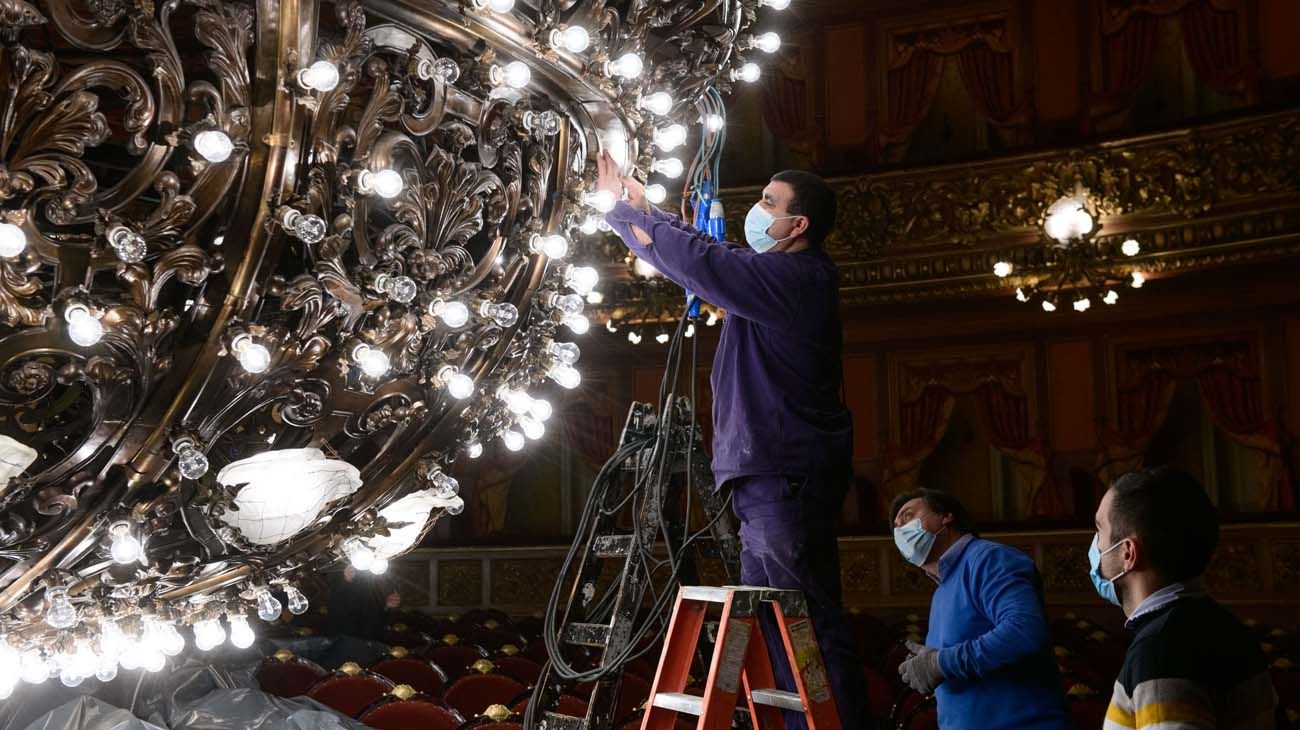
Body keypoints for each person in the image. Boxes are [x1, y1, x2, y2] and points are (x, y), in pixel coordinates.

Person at [597, 151, 869, 728]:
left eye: (770, 203)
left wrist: (627, 212)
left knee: (805, 629)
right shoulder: (773, 281)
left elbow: (707, 263)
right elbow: (710, 262)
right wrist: (646, 211)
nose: (755, 208)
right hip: (766, 474)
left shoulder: (797, 279)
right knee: (777, 626)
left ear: (798, 227)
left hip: (783, 475)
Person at [1092, 466, 1283, 729]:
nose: (1096, 546)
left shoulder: (1161, 653)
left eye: (1099, 530)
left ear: (1127, 553)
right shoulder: (1217, 623)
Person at [890, 488, 1066, 730]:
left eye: (908, 516)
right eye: (896, 527)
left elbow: (1024, 631)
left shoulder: (988, 559)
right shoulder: (942, 589)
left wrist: (941, 663)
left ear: (946, 516)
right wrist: (929, 665)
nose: (901, 529)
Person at [324, 566, 401, 642]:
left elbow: (375, 617)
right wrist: (386, 607)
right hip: (347, 638)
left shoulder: (372, 585)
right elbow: (337, 606)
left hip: (363, 639)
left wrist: (386, 607)